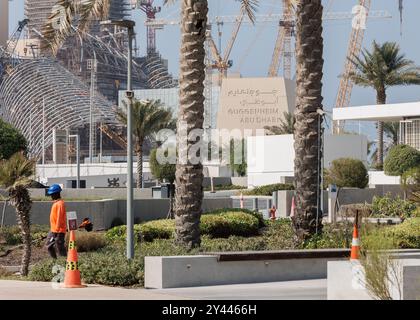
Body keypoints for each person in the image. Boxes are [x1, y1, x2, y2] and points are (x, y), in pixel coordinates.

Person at [45, 184, 67, 259]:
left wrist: (56, 231)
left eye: (52, 194)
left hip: (58, 231)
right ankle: (55, 262)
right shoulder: (56, 203)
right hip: (53, 230)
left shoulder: (60, 204)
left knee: (59, 247)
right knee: (49, 245)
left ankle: (65, 263)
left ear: (56, 194)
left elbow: (59, 218)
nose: (51, 196)